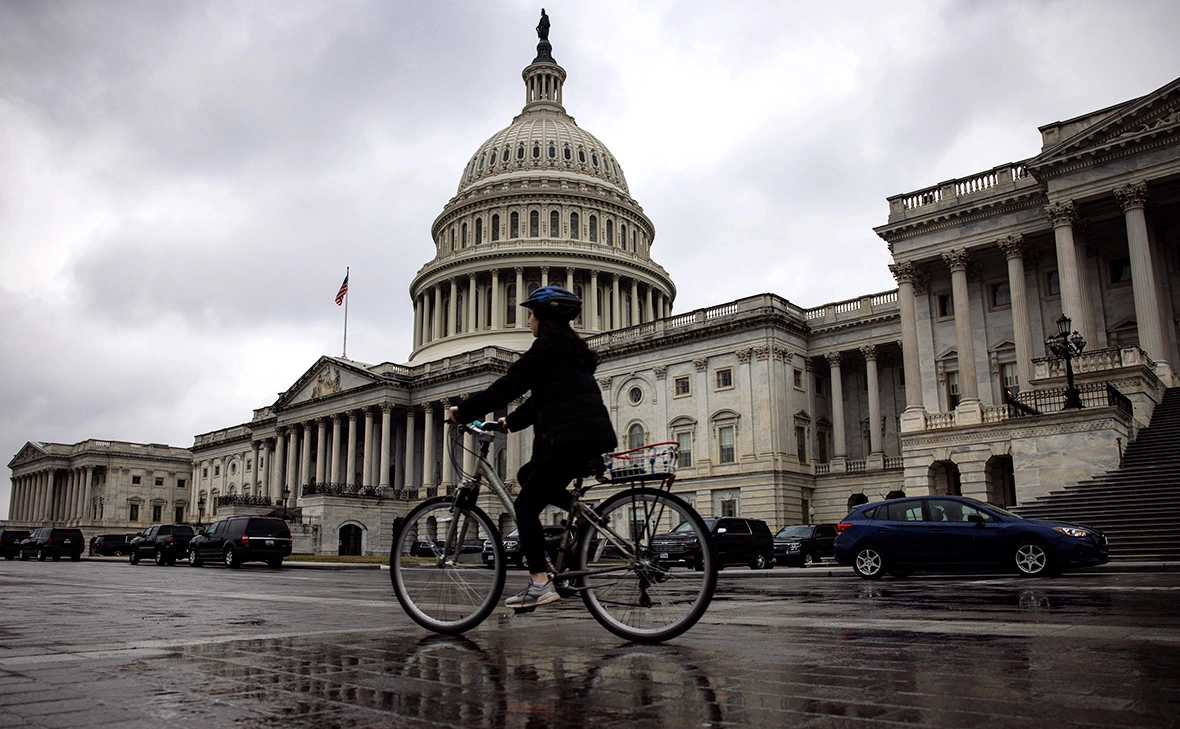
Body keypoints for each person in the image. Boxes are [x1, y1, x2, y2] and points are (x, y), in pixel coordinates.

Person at [448, 285, 617, 609]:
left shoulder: (544, 350)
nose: (528, 321)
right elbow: (539, 400)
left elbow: (505, 388)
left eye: (531, 314)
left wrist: (463, 411)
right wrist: (507, 423)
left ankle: (539, 582)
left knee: (525, 507)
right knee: (528, 475)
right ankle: (584, 514)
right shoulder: (571, 354)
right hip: (591, 437)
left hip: (567, 440)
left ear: (543, 318)